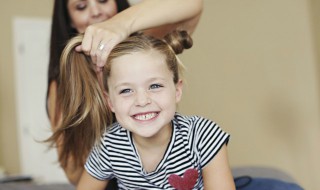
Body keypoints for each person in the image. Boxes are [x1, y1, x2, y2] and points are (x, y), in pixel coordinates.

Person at [46, 0, 203, 186]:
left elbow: (192, 4)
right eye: (81, 7)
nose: (95, 12)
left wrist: (119, 24)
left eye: (103, 0)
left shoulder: (144, 47)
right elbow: (74, 175)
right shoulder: (64, 86)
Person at [55, 30, 235, 189]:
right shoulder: (109, 146)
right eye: (126, 90)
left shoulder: (202, 135)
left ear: (177, 91)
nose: (142, 101)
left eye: (155, 86)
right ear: (110, 102)